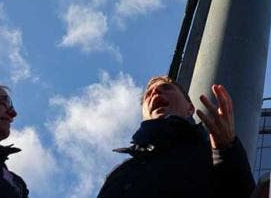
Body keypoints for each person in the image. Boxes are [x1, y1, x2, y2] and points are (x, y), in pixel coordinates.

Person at [97, 76, 255, 198]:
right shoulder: (121, 173)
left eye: (166, 88)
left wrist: (227, 149)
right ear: (143, 114)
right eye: (148, 94)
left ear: (190, 108)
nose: (156, 93)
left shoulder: (209, 153)